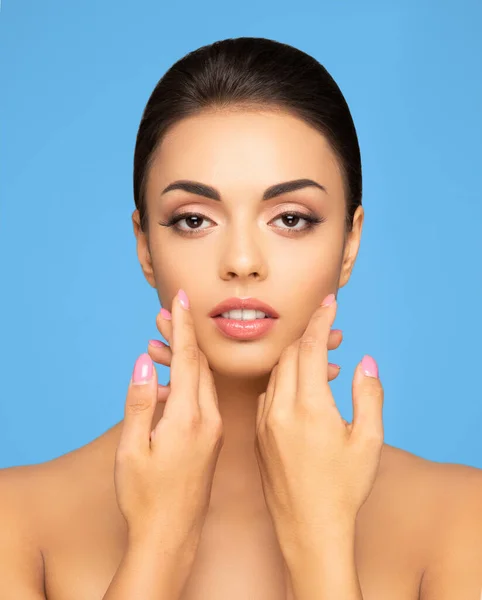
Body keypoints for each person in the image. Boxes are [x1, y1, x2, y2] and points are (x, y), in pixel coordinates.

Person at [0, 36, 481, 600]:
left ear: (350, 244)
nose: (243, 263)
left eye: (292, 218)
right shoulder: (16, 521)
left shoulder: (462, 518)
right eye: (195, 221)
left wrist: (320, 541)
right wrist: (159, 543)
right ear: (145, 247)